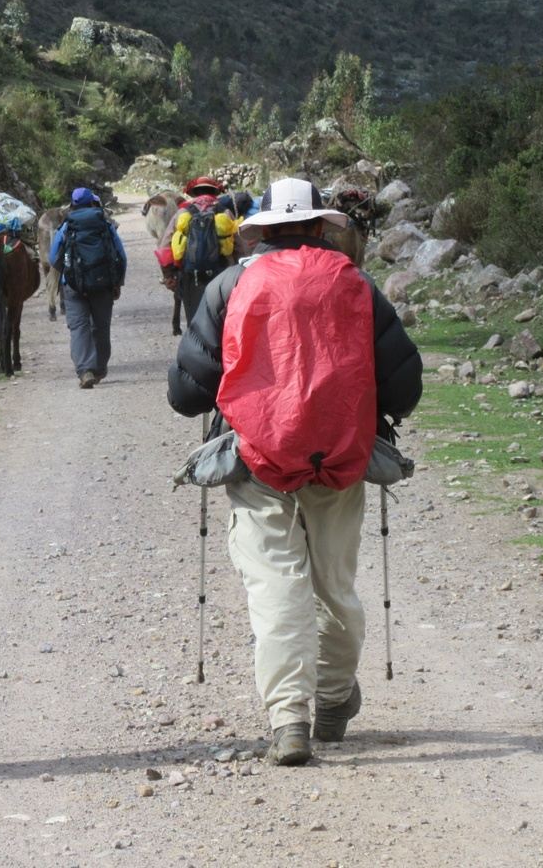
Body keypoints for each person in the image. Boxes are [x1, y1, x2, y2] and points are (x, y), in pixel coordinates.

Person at [167, 178, 421, 767]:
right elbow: (404, 385)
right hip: (341, 456)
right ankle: (333, 699)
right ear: (318, 226)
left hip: (256, 457)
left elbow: (186, 393)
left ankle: (289, 720)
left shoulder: (231, 285)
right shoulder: (355, 283)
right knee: (333, 582)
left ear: (262, 229)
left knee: (275, 583)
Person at [50, 187, 127, 388]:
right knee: (101, 327)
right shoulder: (105, 223)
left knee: (78, 327)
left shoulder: (67, 226)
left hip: (73, 285)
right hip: (103, 284)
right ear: (93, 203)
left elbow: (52, 257)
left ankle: (85, 371)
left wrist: (68, 272)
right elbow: (121, 255)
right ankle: (100, 368)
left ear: (73, 204)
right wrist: (118, 282)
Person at [169, 176, 238, 320]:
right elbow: (239, 243)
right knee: (220, 317)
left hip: (190, 273)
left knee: (193, 316)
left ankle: (195, 340)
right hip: (222, 272)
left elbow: (165, 245)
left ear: (193, 193)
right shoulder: (224, 212)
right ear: (215, 192)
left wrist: (169, 274)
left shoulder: (183, 213)